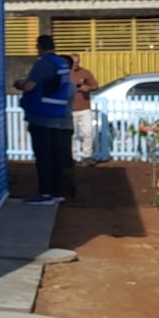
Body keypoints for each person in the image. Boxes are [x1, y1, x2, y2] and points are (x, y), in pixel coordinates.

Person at [13, 35, 74, 206]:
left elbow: (29, 86)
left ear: (39, 47)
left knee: (43, 156)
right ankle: (56, 192)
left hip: (42, 114)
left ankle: (45, 193)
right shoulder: (61, 63)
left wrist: (19, 84)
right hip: (56, 113)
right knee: (54, 155)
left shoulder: (44, 63)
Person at [69, 53, 101, 167]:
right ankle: (72, 157)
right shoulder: (64, 73)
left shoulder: (85, 73)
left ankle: (87, 156)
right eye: (74, 62)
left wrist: (87, 88)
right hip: (70, 109)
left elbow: (96, 86)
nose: (76, 64)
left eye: (77, 62)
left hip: (84, 108)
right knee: (71, 134)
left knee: (88, 132)